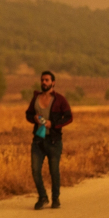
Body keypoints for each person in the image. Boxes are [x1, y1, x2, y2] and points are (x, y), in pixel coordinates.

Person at [25, 70, 73, 210]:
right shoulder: (36, 98)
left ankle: (55, 198)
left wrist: (54, 124)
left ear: (53, 82)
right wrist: (33, 118)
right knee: (35, 170)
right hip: (38, 140)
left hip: (54, 141)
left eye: (47, 80)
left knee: (54, 171)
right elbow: (28, 114)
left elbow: (69, 117)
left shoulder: (60, 100)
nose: (44, 82)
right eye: (42, 80)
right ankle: (42, 197)